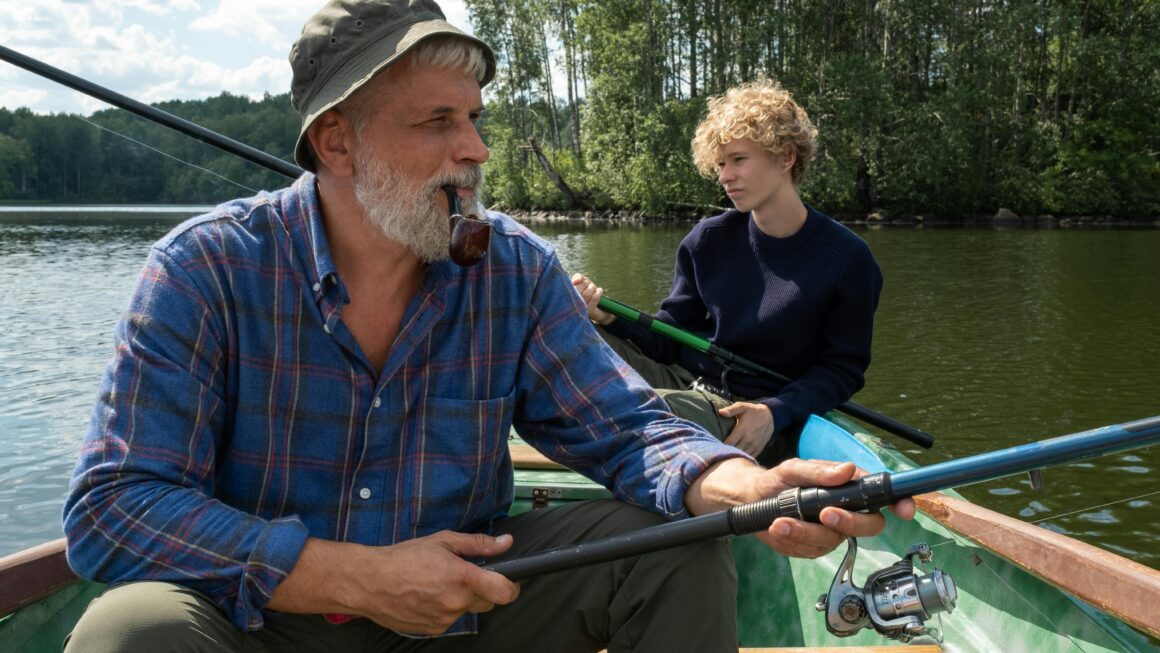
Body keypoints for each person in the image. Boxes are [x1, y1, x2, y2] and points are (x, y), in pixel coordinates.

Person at [61, 3, 911, 651]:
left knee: (674, 544)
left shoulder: (513, 267)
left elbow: (626, 427)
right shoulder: (205, 268)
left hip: (467, 610)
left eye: (474, 118)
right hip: (263, 620)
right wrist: (354, 575)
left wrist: (745, 485)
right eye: (438, 122)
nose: (476, 148)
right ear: (337, 144)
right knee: (128, 629)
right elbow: (114, 507)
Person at [573, 79, 883, 465]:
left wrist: (775, 412)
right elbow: (668, 338)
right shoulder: (707, 240)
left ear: (786, 157)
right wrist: (604, 316)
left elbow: (842, 370)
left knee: (629, 405)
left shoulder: (847, 259)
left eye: (738, 160)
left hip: (752, 415)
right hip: (684, 383)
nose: (725, 176)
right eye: (720, 164)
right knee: (568, 330)